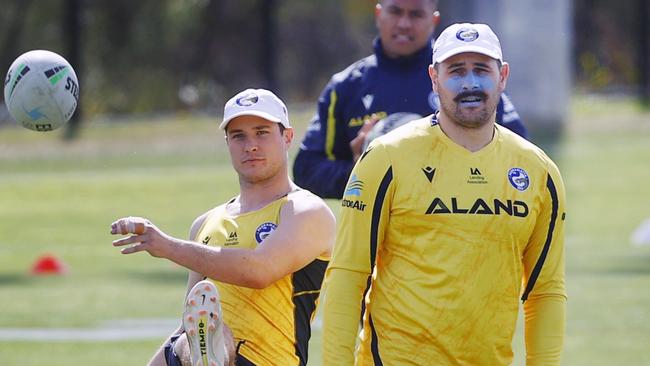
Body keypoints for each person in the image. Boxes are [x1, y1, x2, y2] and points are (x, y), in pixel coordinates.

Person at [321, 23, 567, 365]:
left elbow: (546, 291)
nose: (470, 83)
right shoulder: (385, 158)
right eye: (456, 71)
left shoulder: (539, 172)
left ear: (503, 76)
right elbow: (348, 273)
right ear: (434, 78)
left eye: (482, 70)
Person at [110, 88, 336, 366]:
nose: (250, 145)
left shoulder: (305, 210)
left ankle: (213, 353)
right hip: (195, 353)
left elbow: (259, 271)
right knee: (193, 339)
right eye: (238, 136)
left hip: (266, 360)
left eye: (262, 132)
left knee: (213, 338)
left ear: (287, 137)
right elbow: (189, 323)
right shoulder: (205, 223)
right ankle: (210, 355)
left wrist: (168, 247)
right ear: (227, 142)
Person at [293, 0, 528, 199]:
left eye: (416, 14)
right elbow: (305, 170)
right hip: (380, 239)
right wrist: (359, 173)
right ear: (379, 14)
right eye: (395, 12)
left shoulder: (464, 77)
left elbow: (518, 156)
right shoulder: (346, 86)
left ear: (433, 20)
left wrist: (456, 168)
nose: (404, 23)